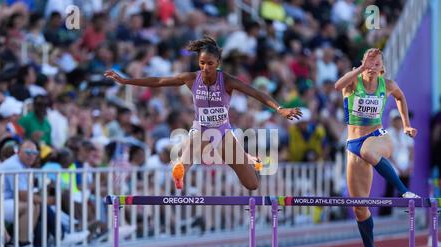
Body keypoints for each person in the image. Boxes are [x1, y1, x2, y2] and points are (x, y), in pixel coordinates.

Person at [105, 36, 302, 190]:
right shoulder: (191, 78)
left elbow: (256, 93)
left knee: (252, 184)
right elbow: (158, 81)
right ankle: (179, 171)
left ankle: (250, 160)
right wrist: (126, 81)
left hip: (223, 132)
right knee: (187, 159)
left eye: (209, 63)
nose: (205, 68)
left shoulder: (228, 80)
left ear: (218, 62)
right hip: (200, 129)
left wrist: (280, 108)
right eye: (201, 63)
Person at [334, 48, 419, 247]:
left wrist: (406, 125)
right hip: (353, 145)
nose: (372, 66)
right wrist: (359, 70)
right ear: (362, 64)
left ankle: (403, 192)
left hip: (379, 138)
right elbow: (337, 86)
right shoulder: (353, 82)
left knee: (369, 151)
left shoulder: (387, 84)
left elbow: (401, 97)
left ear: (382, 67)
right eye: (368, 62)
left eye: (376, 63)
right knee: (359, 207)